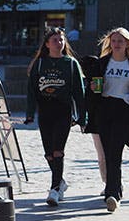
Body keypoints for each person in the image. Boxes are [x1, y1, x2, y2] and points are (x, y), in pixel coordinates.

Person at [25, 26, 86, 207]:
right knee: (49, 154)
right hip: (45, 111)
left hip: (63, 111)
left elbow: (79, 92)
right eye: (54, 40)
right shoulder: (40, 63)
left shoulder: (71, 63)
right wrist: (29, 113)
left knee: (58, 150)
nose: (58, 43)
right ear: (47, 44)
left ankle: (54, 190)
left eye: (61, 40)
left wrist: (83, 117)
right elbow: (31, 91)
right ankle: (60, 181)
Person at [91, 27, 129, 212]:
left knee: (115, 153)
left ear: (127, 44)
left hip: (123, 110)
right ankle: (115, 189)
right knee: (108, 153)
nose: (117, 44)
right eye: (114, 41)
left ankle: (112, 194)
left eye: (120, 41)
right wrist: (92, 87)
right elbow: (93, 88)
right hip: (105, 109)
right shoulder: (102, 63)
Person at [80, 54, 107, 194]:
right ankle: (108, 183)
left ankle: (111, 183)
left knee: (104, 155)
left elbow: (96, 97)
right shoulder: (88, 80)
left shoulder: (96, 79)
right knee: (102, 155)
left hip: (102, 120)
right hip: (95, 121)